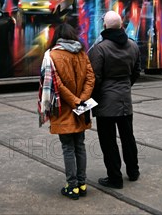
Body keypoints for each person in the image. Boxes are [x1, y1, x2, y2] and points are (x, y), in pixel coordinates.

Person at [38, 23, 95, 200]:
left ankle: (72, 186)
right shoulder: (82, 53)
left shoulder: (52, 55)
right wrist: (82, 100)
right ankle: (82, 183)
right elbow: (91, 78)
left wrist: (75, 102)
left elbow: (57, 85)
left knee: (68, 148)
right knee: (80, 145)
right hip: (81, 108)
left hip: (63, 108)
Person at [88, 10, 141, 189]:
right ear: (121, 25)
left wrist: (92, 100)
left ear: (104, 26)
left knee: (108, 141)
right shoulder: (133, 46)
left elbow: (94, 78)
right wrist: (125, 86)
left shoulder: (99, 49)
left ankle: (115, 178)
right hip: (125, 100)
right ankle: (133, 172)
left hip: (105, 103)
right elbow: (136, 72)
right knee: (128, 137)